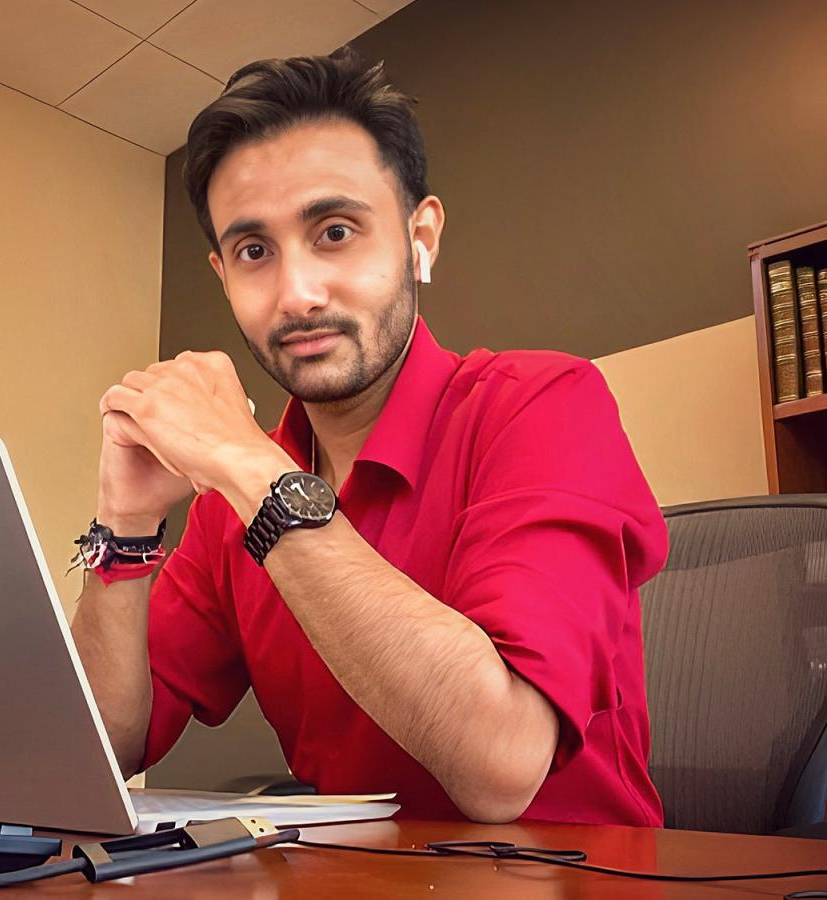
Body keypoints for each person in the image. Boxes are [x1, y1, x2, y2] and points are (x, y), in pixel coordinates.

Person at [69, 47, 668, 826]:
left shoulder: (545, 405)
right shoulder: (231, 504)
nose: (298, 293)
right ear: (223, 274)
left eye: (337, 231)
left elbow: (501, 763)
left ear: (421, 238)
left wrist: (251, 469)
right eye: (255, 252)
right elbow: (107, 745)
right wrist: (126, 526)